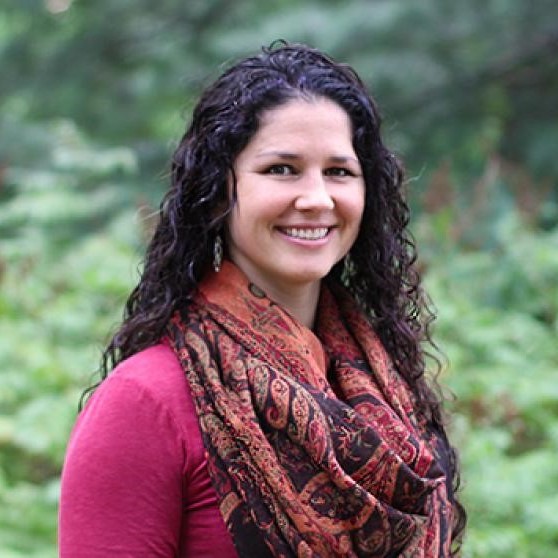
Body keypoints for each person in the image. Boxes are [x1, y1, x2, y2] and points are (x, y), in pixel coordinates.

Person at [58, 42, 466, 557]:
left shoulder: (387, 392)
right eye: (281, 169)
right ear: (219, 190)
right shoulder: (146, 402)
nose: (316, 198)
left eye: (339, 171)